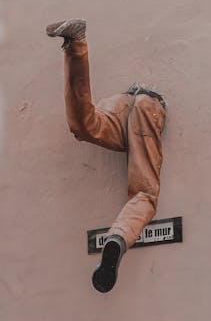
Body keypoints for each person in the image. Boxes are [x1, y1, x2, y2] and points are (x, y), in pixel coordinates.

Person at [46, 19, 167, 293]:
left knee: (83, 125)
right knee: (144, 193)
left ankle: (76, 45)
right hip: (147, 107)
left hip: (122, 101)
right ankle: (119, 238)